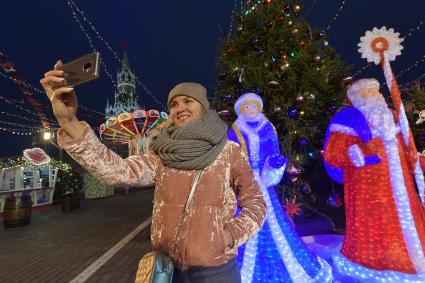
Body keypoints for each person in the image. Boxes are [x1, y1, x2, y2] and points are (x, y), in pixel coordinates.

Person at [40, 63, 267, 283]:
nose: (180, 108)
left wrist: (227, 237)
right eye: (174, 104)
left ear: (203, 107)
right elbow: (117, 171)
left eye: (188, 101)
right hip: (167, 269)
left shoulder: (228, 151)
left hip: (215, 272)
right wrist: (68, 121)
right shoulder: (162, 154)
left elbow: (256, 204)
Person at [323, 78, 425, 281]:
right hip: (367, 189)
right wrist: (354, 153)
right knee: (376, 228)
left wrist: (419, 160)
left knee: (407, 223)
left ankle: (414, 255)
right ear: (356, 98)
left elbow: (407, 150)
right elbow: (332, 154)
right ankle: (377, 260)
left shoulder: (394, 117)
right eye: (366, 93)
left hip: (402, 187)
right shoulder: (346, 119)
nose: (372, 96)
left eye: (374, 91)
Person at [228, 93, 332, 283]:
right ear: (241, 110)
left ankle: (283, 260)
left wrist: (274, 165)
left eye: (254, 106)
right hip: (245, 181)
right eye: (247, 107)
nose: (251, 110)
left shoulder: (267, 127)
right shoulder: (235, 130)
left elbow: (273, 150)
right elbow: (232, 154)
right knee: (244, 217)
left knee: (274, 219)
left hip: (264, 181)